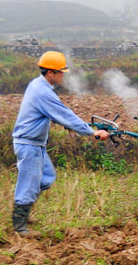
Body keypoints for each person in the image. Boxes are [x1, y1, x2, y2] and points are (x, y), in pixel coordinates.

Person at [12, 51, 108, 238]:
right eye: (60, 72)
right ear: (50, 73)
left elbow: (50, 114)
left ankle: (24, 208)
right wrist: (92, 132)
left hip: (35, 143)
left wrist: (67, 125)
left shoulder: (39, 85)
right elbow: (64, 113)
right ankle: (20, 226)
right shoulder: (43, 92)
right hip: (29, 144)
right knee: (29, 184)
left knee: (47, 177)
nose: (63, 75)